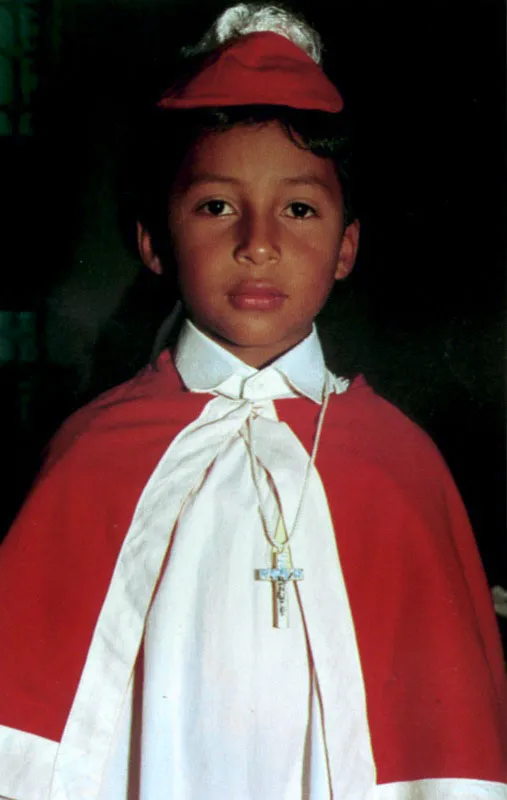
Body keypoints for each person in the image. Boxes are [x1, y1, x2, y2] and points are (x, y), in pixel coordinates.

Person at [0, 4, 506, 799]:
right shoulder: (92, 451)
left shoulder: (400, 465)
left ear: (346, 245)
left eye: (299, 209)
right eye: (215, 206)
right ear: (153, 241)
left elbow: (446, 747)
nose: (258, 241)